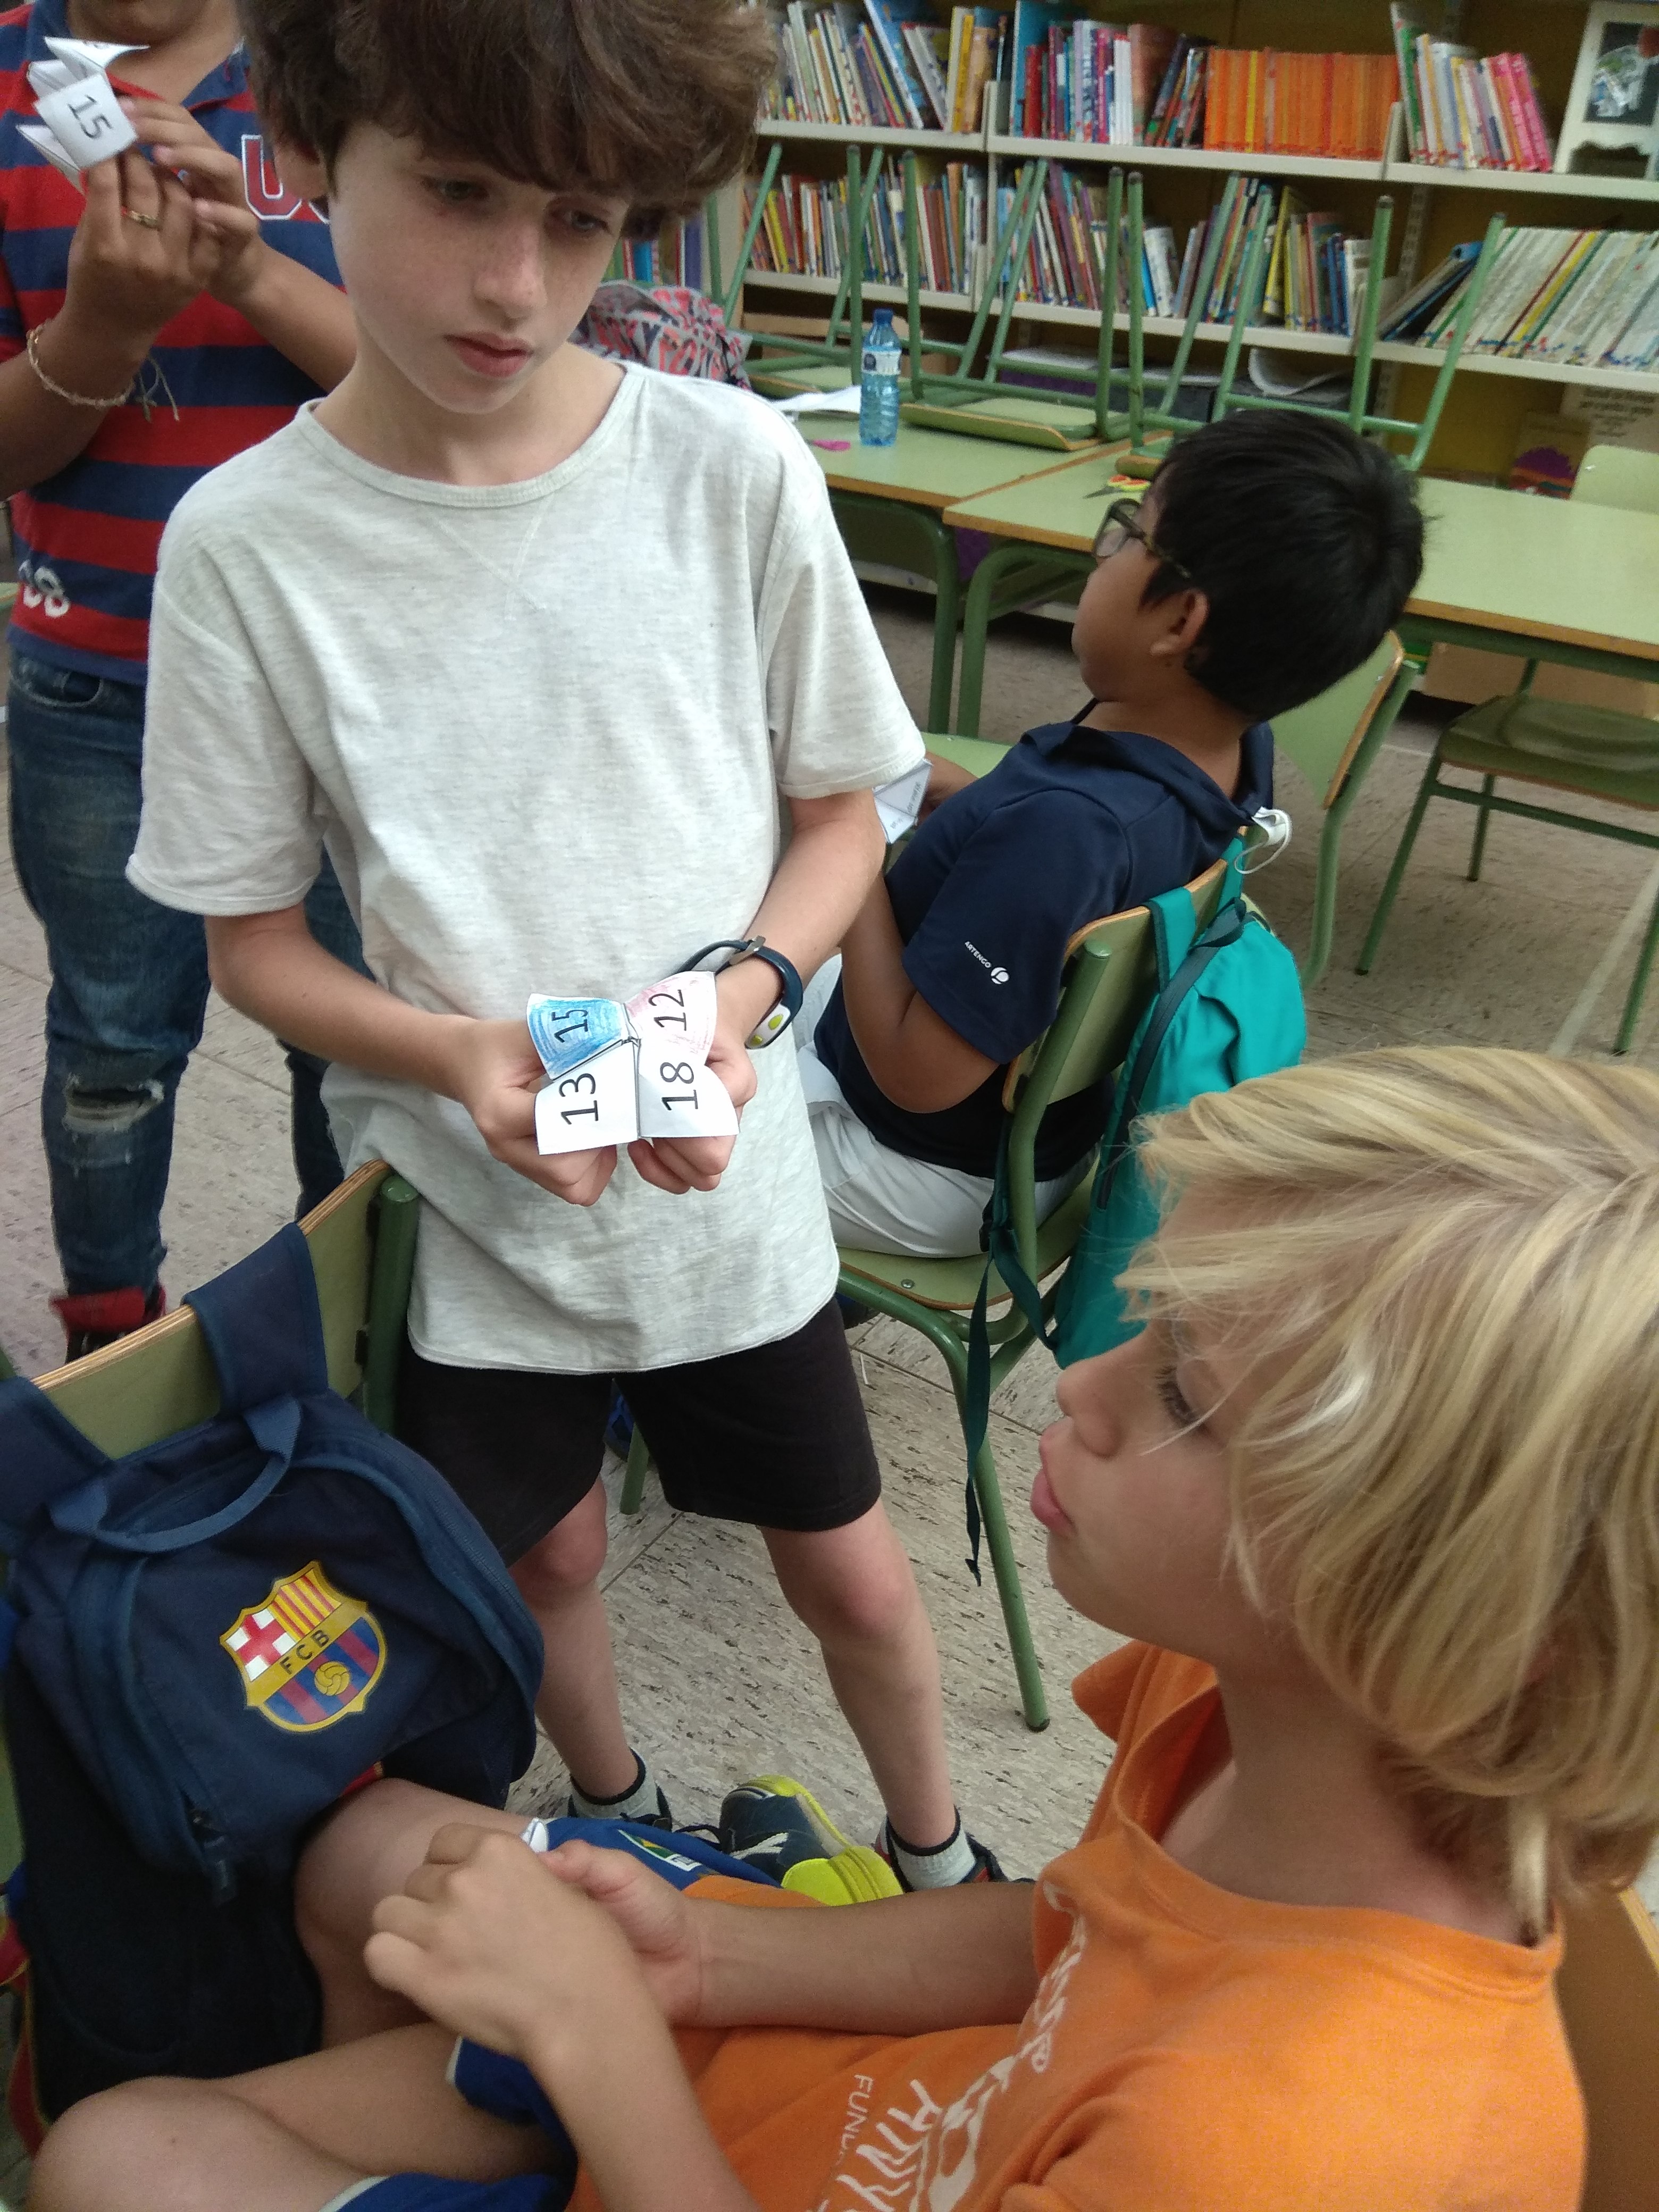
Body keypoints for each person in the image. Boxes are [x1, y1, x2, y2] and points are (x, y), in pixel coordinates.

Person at [34, 1042, 1659, 2212]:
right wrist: (708, 1956)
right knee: (369, 1854)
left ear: (1454, 1618)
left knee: (110, 2159)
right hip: (811, 2102)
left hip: (706, 2148)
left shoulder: (1276, 2156)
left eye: (1188, 1396)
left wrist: (597, 2040)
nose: (1081, 1388)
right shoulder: (1260, 1696)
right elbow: (1071, 1931)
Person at [124, 0, 996, 1891]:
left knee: (854, 1567)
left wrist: (745, 994)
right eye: (457, 190)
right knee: (545, 1555)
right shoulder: (245, 546)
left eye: (583, 219)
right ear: (307, 151)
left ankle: (941, 1861)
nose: (518, 283)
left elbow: (846, 815)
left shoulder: (731, 466)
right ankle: (619, 1802)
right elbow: (250, 946)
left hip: (729, 1175)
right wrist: (451, 1055)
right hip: (469, 1194)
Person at [800, 410, 1424, 1259]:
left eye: (1132, 531)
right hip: (1022, 1129)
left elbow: (917, 1077)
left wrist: (855, 851)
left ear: (1180, 624)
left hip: (915, 1164)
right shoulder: (1226, 753)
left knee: (649, 1115)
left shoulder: (1062, 833)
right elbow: (1082, 879)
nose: (1104, 551)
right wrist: (972, 807)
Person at [1, 0, 365, 1358]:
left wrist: (252, 272)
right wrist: (101, 330)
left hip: (344, 682)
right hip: (99, 676)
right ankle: (110, 1356)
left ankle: (347, 1346)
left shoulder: (361, 53)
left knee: (357, 1047)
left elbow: (455, 389)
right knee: (112, 1049)